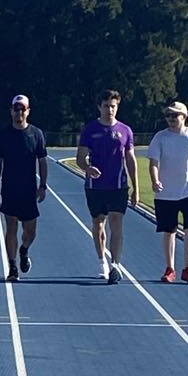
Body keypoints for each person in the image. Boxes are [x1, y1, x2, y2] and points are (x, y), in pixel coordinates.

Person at [76, 89, 140, 284]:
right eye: (106, 106)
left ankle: (116, 264)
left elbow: (130, 159)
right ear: (99, 107)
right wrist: (88, 168)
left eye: (113, 106)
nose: (109, 110)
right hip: (95, 187)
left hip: (118, 186)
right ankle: (101, 260)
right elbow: (80, 158)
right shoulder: (90, 130)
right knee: (98, 223)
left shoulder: (125, 131)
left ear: (117, 107)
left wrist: (136, 187)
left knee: (116, 222)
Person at [147, 100, 188, 284]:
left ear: (184, 116)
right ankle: (170, 269)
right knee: (169, 231)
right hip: (166, 194)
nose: (171, 119)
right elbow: (153, 162)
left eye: (175, 115)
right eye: (168, 115)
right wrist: (155, 180)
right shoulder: (160, 137)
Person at [0, 94, 48, 282]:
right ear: (11, 111)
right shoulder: (4, 136)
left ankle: (24, 250)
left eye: (22, 109)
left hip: (29, 191)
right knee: (11, 227)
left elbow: (42, 162)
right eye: (16, 109)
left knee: (30, 231)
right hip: (9, 189)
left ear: (28, 111)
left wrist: (42, 186)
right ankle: (12, 266)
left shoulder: (36, 134)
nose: (19, 112)